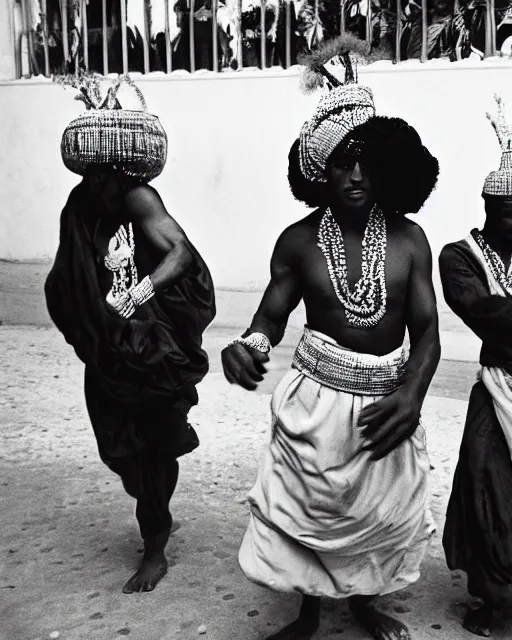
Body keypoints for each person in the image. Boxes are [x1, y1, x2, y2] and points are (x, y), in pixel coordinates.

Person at [221, 35, 440, 640]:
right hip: (315, 399)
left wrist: (414, 394)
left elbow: (427, 334)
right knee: (309, 513)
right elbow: (269, 319)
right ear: (320, 167)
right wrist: (248, 347)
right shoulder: (296, 240)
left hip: (388, 401)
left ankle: (366, 603)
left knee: (375, 515)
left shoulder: (408, 240)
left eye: (367, 162)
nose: (355, 175)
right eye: (342, 162)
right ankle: (309, 611)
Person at [45, 74, 216, 594]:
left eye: (105, 174)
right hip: (108, 349)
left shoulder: (140, 197)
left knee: (154, 447)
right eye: (92, 174)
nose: (99, 183)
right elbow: (68, 276)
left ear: (119, 168)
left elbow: (181, 253)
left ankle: (156, 547)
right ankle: (154, 506)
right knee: (122, 452)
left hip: (151, 345)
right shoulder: (79, 206)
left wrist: (137, 294)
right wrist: (86, 317)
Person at [440, 94, 512, 638]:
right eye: (508, 210)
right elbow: (488, 314)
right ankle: (492, 598)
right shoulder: (459, 255)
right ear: (489, 205)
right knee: (488, 485)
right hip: (498, 385)